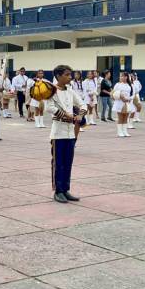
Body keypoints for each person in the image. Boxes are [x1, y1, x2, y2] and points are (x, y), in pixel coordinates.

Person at [48, 65, 87, 203]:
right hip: (58, 133)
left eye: (70, 75)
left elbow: (83, 104)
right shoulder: (51, 91)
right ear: (58, 76)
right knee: (58, 164)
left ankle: (65, 189)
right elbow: (50, 108)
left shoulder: (70, 91)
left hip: (71, 133)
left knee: (68, 162)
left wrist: (80, 116)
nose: (70, 77)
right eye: (67, 75)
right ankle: (58, 191)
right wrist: (68, 116)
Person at [112, 72, 133, 137]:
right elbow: (113, 93)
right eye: (121, 76)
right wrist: (121, 97)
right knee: (120, 117)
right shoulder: (118, 85)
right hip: (119, 102)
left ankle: (125, 131)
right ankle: (119, 132)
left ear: (127, 77)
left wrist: (129, 99)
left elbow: (132, 94)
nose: (122, 77)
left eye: (123, 76)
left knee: (126, 117)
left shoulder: (129, 85)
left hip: (127, 103)